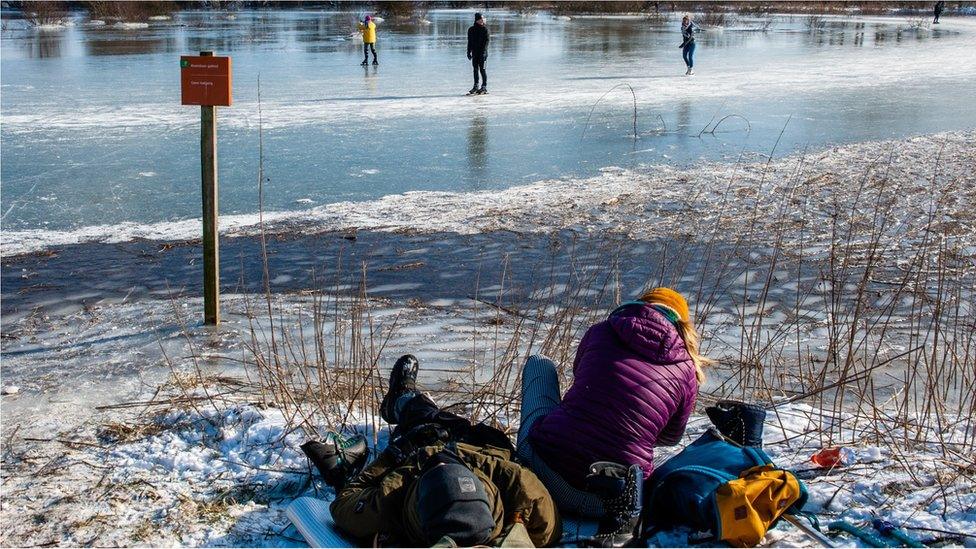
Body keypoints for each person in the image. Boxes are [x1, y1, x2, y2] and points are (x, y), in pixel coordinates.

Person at [302, 355, 562, 547]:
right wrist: (464, 457)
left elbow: (345, 501)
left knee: (423, 421)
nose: (440, 461)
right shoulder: (525, 493)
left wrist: (398, 459)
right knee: (456, 426)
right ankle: (412, 404)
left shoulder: (389, 504)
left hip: (418, 448)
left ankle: (402, 401)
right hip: (475, 449)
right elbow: (547, 524)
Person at [517, 288, 710, 528]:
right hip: (615, 502)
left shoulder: (602, 330)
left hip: (544, 477)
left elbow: (580, 377)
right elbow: (671, 437)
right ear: (682, 324)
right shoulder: (687, 369)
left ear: (641, 306)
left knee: (539, 363)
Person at [467, 12, 490, 95]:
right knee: (475, 70)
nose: (482, 20)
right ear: (477, 20)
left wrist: (483, 52)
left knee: (482, 70)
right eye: (481, 19)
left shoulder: (485, 30)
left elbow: (487, 42)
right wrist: (468, 52)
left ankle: (484, 86)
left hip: (483, 54)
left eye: (483, 19)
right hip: (475, 53)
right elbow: (469, 42)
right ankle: (476, 86)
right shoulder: (471, 30)